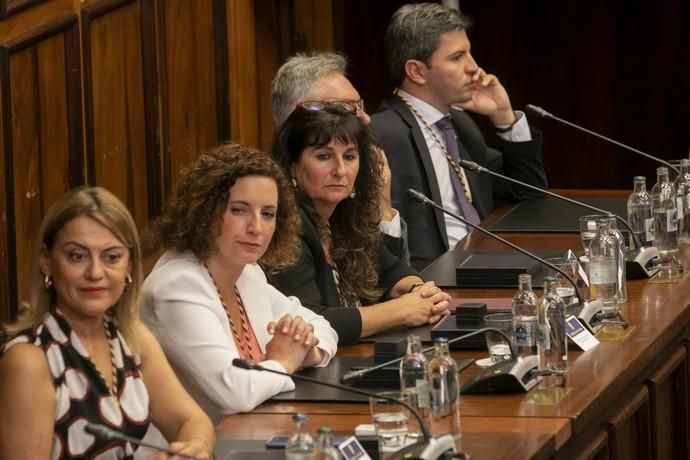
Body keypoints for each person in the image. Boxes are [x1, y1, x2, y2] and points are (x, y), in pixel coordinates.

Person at [0, 186, 214, 459]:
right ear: (46, 262)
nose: (95, 272)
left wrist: (191, 447)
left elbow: (192, 421)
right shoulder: (29, 360)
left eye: (111, 257)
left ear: (128, 267)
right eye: (77, 256)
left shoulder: (130, 337)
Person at [139, 143, 338, 424]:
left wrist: (308, 351)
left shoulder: (248, 274)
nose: (256, 227)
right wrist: (283, 361)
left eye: (268, 214)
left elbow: (323, 326)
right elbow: (236, 393)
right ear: (205, 211)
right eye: (239, 210)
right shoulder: (176, 286)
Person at [371, 3, 548, 270]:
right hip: (434, 282)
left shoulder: (459, 124)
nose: (474, 68)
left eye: (470, 54)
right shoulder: (383, 133)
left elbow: (527, 190)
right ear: (417, 71)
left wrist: (504, 117)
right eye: (457, 58)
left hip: (485, 265)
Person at [269, 103, 450, 345]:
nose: (340, 170)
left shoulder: (345, 217)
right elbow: (310, 321)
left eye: (350, 156)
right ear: (293, 167)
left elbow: (392, 272)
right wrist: (401, 311)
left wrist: (421, 292)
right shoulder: (283, 225)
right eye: (324, 156)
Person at [272, 52, 410, 264]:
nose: (366, 118)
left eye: (359, 105)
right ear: (303, 116)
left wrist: (383, 208)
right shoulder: (275, 214)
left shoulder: (343, 198)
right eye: (346, 108)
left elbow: (389, 275)